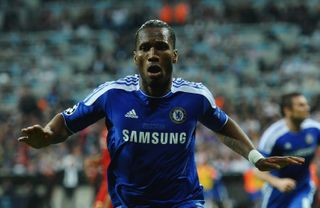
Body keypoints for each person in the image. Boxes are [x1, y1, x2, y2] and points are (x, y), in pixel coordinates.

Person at [18, 19, 304, 207]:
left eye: (161, 47)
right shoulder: (112, 94)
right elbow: (66, 123)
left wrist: (256, 157)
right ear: (136, 57)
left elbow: (224, 127)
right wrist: (47, 135)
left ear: (174, 56)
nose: (153, 54)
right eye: (145, 48)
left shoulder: (194, 97)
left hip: (184, 203)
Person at [254, 92, 320, 208]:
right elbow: (256, 170)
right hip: (276, 191)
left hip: (303, 188)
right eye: (301, 105)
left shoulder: (315, 129)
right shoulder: (273, 136)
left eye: (306, 104)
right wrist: (278, 183)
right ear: (287, 110)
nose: (307, 108)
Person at [84, 128, 113, 208]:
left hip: (113, 185)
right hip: (105, 183)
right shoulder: (106, 132)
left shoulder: (118, 132)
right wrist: (93, 163)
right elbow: (104, 156)